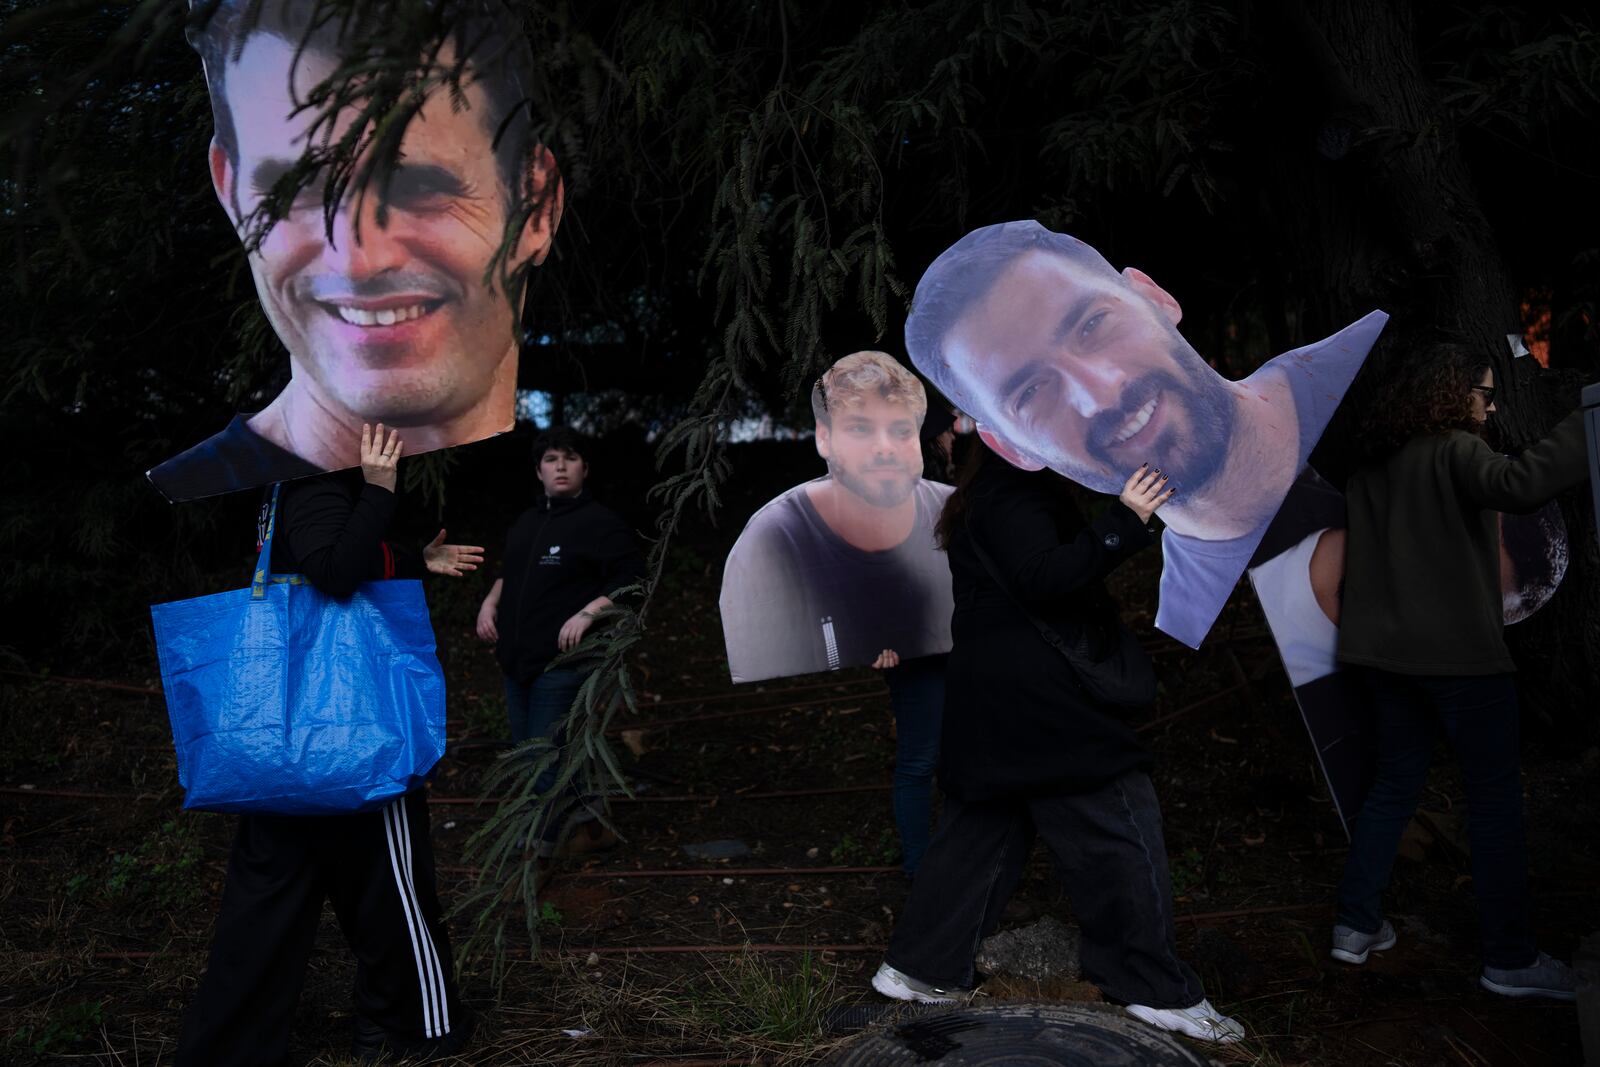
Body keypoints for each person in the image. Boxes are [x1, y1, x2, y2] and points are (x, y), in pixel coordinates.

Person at [871, 440, 1247, 1045]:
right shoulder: (1012, 489)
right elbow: (1040, 577)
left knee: (985, 830)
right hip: (1039, 698)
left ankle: (920, 967)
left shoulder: (988, 489)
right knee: (1118, 817)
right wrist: (1126, 518)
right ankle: (1153, 987)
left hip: (994, 694)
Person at [148, 0, 563, 502]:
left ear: (536, 205)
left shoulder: (557, 488)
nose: (357, 261)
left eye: (418, 189)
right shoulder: (185, 504)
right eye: (294, 192)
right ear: (230, 193)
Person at [904, 219, 1388, 648]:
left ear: (1154, 296)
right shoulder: (1189, 611)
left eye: (1092, 323)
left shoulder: (1381, 371)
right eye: (1030, 392)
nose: (1102, 394)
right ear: (1010, 448)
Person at [177, 423, 485, 1065]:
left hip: (285, 744)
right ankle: (410, 1028)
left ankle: (230, 1047)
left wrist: (410, 560)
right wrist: (377, 490)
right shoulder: (323, 482)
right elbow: (330, 572)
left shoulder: (289, 487)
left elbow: (325, 556)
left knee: (268, 896)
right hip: (353, 729)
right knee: (391, 885)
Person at [1327, 346, 1590, 1000]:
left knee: (1392, 786)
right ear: (1450, 394)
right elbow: (1522, 484)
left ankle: (1354, 925)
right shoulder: (1456, 450)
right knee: (1495, 802)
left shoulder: (1371, 470)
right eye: (1484, 392)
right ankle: (1509, 957)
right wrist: (1588, 422)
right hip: (1461, 663)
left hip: (1388, 663)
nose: (1491, 405)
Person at [719, 351, 956, 682]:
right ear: (824, 437)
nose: (885, 447)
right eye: (860, 428)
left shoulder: (954, 511)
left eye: (902, 430)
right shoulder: (770, 540)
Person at [475, 427, 645, 858]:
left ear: (584, 467)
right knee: (529, 748)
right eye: (552, 459)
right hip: (517, 659)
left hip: (564, 662)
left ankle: (538, 844)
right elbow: (509, 572)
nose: (561, 467)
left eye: (570, 459)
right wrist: (489, 603)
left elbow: (633, 582)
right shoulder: (527, 522)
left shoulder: (599, 524)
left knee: (542, 754)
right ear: (539, 471)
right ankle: (589, 813)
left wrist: (590, 612)